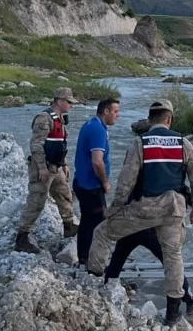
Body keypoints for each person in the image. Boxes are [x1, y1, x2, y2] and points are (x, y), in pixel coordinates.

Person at [86, 99, 193, 327]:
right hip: (173, 209)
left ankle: (92, 281)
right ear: (169, 119)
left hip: (144, 209)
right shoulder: (184, 143)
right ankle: (173, 312)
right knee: (173, 258)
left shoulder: (140, 144)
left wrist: (115, 209)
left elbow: (125, 182)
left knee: (102, 233)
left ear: (150, 120)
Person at [103, 191, 193, 316]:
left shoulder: (132, 177)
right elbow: (173, 193)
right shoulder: (154, 180)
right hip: (148, 230)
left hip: (128, 228)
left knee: (117, 261)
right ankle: (190, 300)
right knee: (172, 264)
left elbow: (121, 198)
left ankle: (106, 292)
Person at [14, 87, 80, 254]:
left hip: (56, 166)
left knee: (64, 194)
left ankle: (69, 225)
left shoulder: (61, 120)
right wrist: (41, 168)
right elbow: (36, 144)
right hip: (43, 167)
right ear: (59, 101)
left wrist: (64, 164)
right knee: (37, 201)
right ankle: (22, 237)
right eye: (69, 102)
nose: (71, 105)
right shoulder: (44, 118)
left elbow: (60, 144)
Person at [73, 98, 120, 265]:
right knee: (95, 222)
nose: (118, 115)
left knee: (89, 220)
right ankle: (89, 258)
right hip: (91, 185)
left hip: (82, 181)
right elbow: (97, 161)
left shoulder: (91, 124)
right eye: (115, 111)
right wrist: (106, 182)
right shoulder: (98, 130)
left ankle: (86, 256)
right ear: (105, 111)